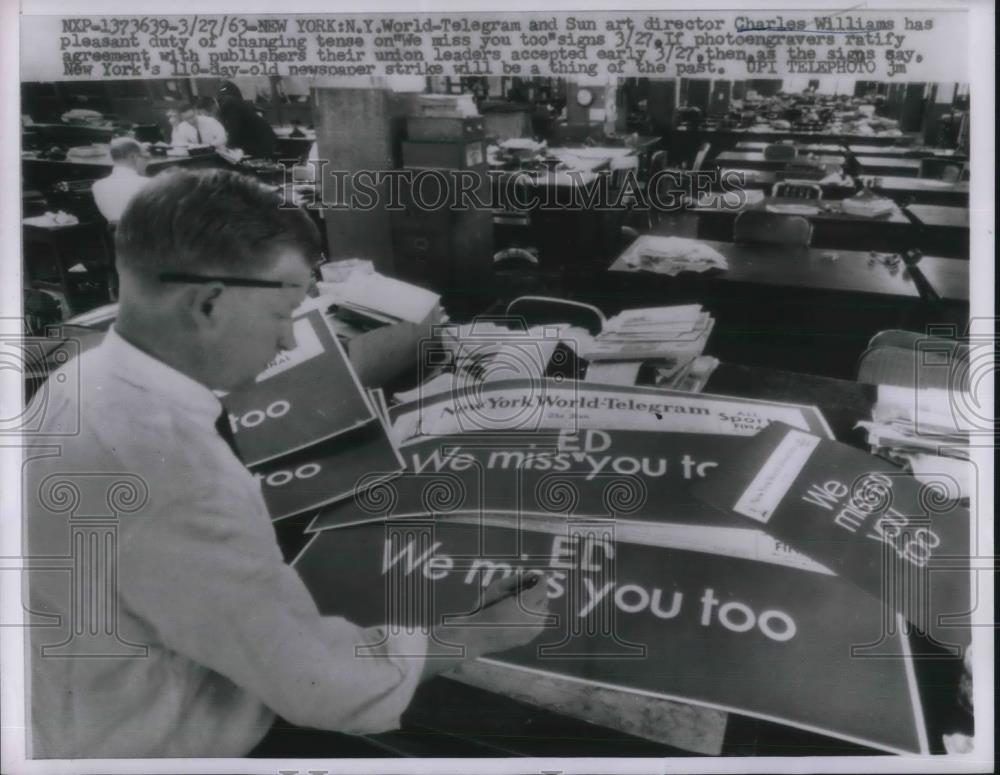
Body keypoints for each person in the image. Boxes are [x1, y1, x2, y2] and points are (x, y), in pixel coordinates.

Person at [25, 169, 550, 758]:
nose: (284, 345)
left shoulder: (81, 379)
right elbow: (320, 686)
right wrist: (478, 631)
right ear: (209, 303)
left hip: (78, 709)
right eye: (283, 316)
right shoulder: (175, 480)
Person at [91, 136, 151, 225]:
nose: (147, 162)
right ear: (133, 156)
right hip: (144, 235)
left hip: (116, 236)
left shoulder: (97, 186)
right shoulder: (148, 183)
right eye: (145, 157)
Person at [216, 81, 278, 158]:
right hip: (262, 140)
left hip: (257, 143)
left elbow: (234, 129)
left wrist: (227, 148)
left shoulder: (228, 103)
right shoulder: (232, 100)